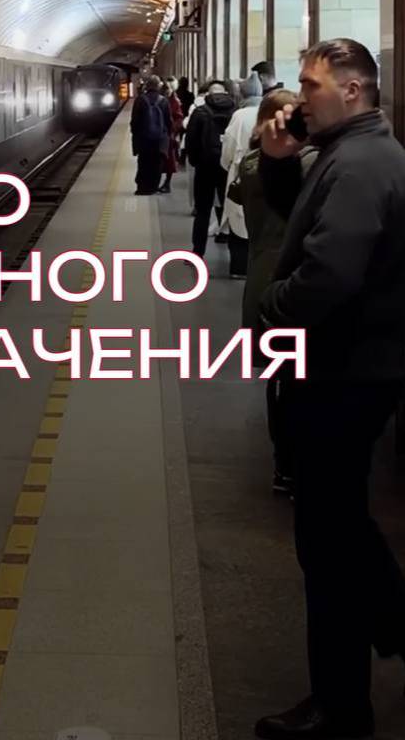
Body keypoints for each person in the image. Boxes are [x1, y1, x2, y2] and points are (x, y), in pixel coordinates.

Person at [253, 39, 405, 740]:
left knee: (327, 544)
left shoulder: (362, 165)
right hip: (348, 370)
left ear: (352, 89)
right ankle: (390, 628)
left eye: (311, 86)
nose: (300, 97)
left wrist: (272, 307)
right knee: (341, 527)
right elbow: (304, 225)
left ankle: (341, 708)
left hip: (341, 374)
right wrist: (279, 163)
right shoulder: (350, 154)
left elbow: (330, 274)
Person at [227, 87, 313, 492]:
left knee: (280, 376)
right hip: (294, 274)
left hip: (261, 271)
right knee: (300, 377)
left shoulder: (249, 164)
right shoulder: (305, 167)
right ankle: (297, 461)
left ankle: (284, 463)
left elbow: (236, 193)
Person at [185, 81, 235, 257]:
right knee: (228, 208)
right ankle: (232, 251)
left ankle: (197, 252)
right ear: (226, 93)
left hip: (204, 168)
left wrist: (195, 162)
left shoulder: (200, 112)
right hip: (227, 168)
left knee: (203, 211)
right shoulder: (235, 112)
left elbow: (191, 140)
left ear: (208, 94)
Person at [220, 72, 262, 278]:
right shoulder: (270, 111)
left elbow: (229, 147)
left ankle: (238, 267)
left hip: (241, 173)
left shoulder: (240, 115)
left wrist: (226, 164)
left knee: (237, 219)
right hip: (267, 174)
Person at [130, 75, 165, 195]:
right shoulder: (163, 100)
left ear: (147, 86)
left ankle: (142, 187)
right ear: (158, 86)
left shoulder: (140, 100)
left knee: (143, 162)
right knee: (156, 163)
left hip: (143, 139)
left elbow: (134, 121)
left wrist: (135, 135)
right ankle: (153, 187)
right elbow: (168, 121)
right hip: (159, 139)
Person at [182, 85, 207, 213]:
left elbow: (187, 126)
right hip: (212, 152)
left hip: (197, 152)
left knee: (195, 180)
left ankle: (197, 206)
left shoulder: (195, 107)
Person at [159, 79, 183, 194]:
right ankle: (157, 182)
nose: (167, 91)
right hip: (160, 134)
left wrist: (173, 129)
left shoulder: (174, 101)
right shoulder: (160, 100)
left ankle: (167, 183)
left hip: (169, 135)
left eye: (168, 89)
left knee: (169, 160)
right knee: (160, 160)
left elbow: (179, 118)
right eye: (165, 90)